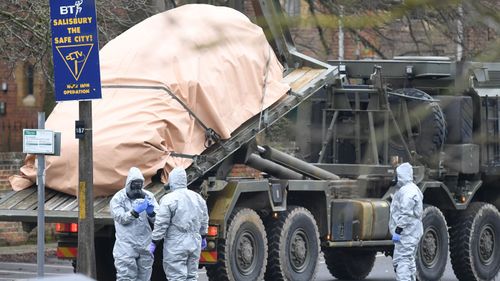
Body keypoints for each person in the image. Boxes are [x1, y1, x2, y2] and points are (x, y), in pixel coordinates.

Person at [149, 167, 209, 281]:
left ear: (172, 180)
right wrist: (203, 236)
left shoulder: (168, 199)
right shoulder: (198, 198)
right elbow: (204, 219)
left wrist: (154, 241)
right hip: (194, 242)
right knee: (191, 276)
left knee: (176, 276)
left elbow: (161, 223)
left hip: (176, 243)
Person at [110, 167, 159, 281]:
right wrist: (134, 212)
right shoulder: (118, 198)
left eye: (139, 185)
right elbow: (120, 218)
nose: (137, 189)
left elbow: (159, 220)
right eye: (134, 185)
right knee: (126, 276)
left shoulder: (148, 196)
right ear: (129, 184)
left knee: (145, 277)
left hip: (145, 244)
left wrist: (151, 213)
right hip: (126, 245)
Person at [389, 162, 424, 281]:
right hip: (411, 232)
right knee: (409, 260)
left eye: (397, 175)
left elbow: (405, 214)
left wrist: (398, 231)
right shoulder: (411, 189)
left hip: (407, 233)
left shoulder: (407, 192)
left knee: (401, 261)